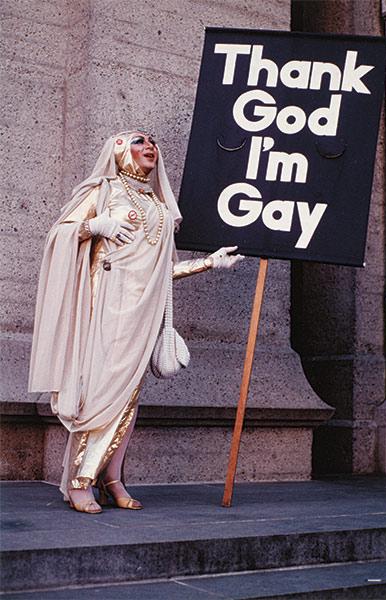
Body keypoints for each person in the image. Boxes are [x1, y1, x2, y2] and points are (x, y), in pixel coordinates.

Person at [28, 130, 243, 514]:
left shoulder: (160, 206)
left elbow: (162, 272)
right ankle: (81, 480)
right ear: (119, 149)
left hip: (143, 312)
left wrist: (209, 263)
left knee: (129, 397)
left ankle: (112, 479)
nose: (150, 148)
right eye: (140, 141)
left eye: (153, 143)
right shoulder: (103, 189)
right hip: (105, 304)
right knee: (99, 392)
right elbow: (59, 236)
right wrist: (95, 227)